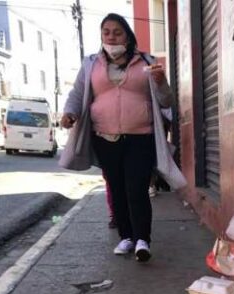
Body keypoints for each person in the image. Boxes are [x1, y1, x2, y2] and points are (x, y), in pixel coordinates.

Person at [61, 13, 172, 262]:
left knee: (137, 188)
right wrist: (69, 113)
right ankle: (126, 237)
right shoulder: (91, 64)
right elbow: (77, 93)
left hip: (140, 137)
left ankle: (142, 239)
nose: (111, 37)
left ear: (127, 36)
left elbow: (166, 101)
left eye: (117, 32)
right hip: (104, 138)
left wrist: (161, 82)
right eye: (106, 32)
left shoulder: (146, 62)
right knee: (117, 188)